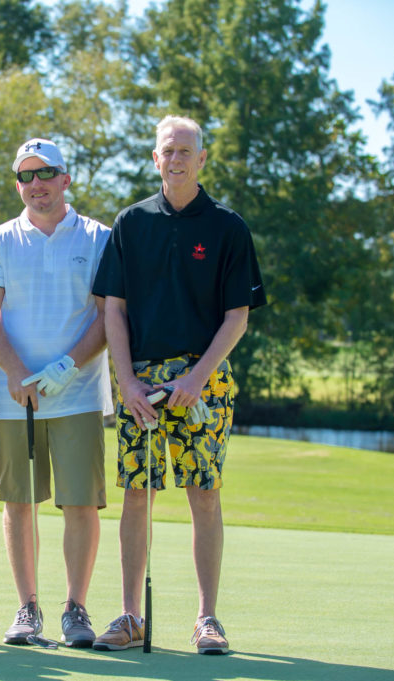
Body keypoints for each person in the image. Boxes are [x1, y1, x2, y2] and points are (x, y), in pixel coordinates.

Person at [90, 116, 266, 654]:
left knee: (204, 496)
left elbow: (237, 315)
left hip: (202, 380)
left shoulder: (227, 226)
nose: (177, 158)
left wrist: (197, 377)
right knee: (136, 497)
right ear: (155, 158)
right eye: (169, 150)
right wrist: (126, 382)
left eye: (187, 150)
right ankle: (129, 617)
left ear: (202, 159)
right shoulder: (131, 222)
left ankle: (207, 618)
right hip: (139, 381)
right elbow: (112, 310)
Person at [0, 138, 112, 648]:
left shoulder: (99, 238)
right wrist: (13, 370)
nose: (37, 185)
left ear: (66, 179)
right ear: (18, 185)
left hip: (78, 394)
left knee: (80, 505)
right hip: (14, 397)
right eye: (26, 176)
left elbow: (107, 315)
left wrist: (68, 365)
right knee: (20, 504)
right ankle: (27, 608)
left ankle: (75, 609)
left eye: (46, 173)